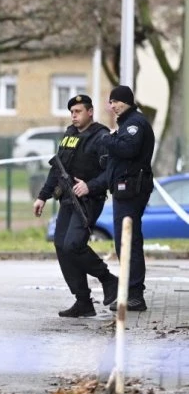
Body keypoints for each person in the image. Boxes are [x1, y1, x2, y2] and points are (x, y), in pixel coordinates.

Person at [32, 94, 119, 318]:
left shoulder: (100, 137)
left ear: (90, 112)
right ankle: (83, 301)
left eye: (78, 111)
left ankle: (108, 279)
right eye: (71, 112)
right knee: (61, 245)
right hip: (68, 200)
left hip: (89, 201)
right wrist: (42, 196)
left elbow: (111, 173)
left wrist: (90, 186)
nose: (74, 116)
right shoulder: (69, 135)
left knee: (73, 245)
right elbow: (57, 168)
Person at [91, 85, 155, 312]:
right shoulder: (127, 124)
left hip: (131, 190)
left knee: (129, 241)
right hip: (124, 190)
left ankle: (135, 295)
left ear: (126, 101)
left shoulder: (135, 124)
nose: (112, 105)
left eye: (115, 101)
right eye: (110, 102)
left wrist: (107, 140)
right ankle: (130, 292)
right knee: (124, 241)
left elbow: (127, 150)